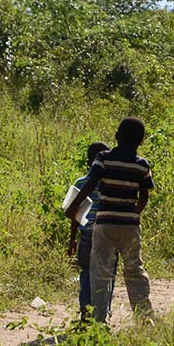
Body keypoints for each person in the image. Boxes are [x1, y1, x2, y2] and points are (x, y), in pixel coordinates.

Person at [64, 118, 154, 324]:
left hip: (104, 224)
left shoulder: (103, 158)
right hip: (130, 226)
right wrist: (132, 214)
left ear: (116, 136)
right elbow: (144, 197)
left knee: (100, 273)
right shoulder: (142, 165)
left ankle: (99, 321)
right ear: (140, 142)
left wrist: (73, 207)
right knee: (134, 270)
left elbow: (89, 186)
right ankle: (145, 318)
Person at [65, 141, 107, 319]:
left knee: (86, 273)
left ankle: (85, 309)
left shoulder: (80, 183)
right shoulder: (109, 184)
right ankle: (103, 312)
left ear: (88, 161)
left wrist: (72, 239)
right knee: (105, 275)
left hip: (86, 234)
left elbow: (74, 214)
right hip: (106, 234)